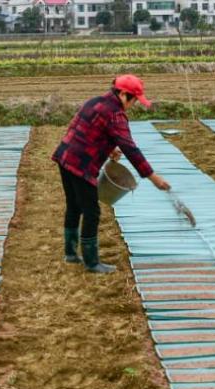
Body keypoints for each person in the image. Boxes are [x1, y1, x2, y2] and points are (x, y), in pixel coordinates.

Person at [52, 74, 170, 274]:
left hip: (65, 157)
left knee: (74, 206)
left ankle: (71, 254)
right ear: (124, 94)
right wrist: (153, 177)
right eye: (134, 100)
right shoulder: (115, 114)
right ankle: (91, 262)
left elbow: (83, 128)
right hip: (82, 165)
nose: (133, 105)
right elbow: (131, 149)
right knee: (92, 212)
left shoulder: (95, 101)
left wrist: (108, 149)